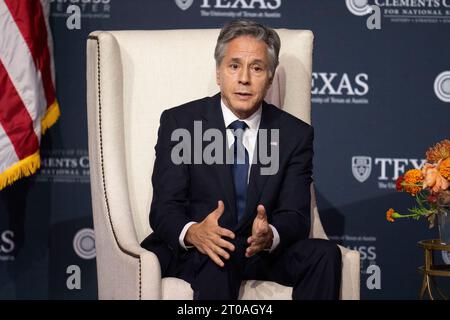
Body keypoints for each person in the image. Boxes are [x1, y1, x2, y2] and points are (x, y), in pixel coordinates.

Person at [141, 19, 341, 300]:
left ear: (270, 77)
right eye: (234, 66)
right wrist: (194, 232)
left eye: (256, 68)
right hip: (200, 252)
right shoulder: (181, 123)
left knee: (324, 255)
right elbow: (164, 208)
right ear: (219, 73)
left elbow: (295, 215)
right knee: (219, 253)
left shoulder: (294, 135)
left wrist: (270, 234)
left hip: (258, 251)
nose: (244, 78)